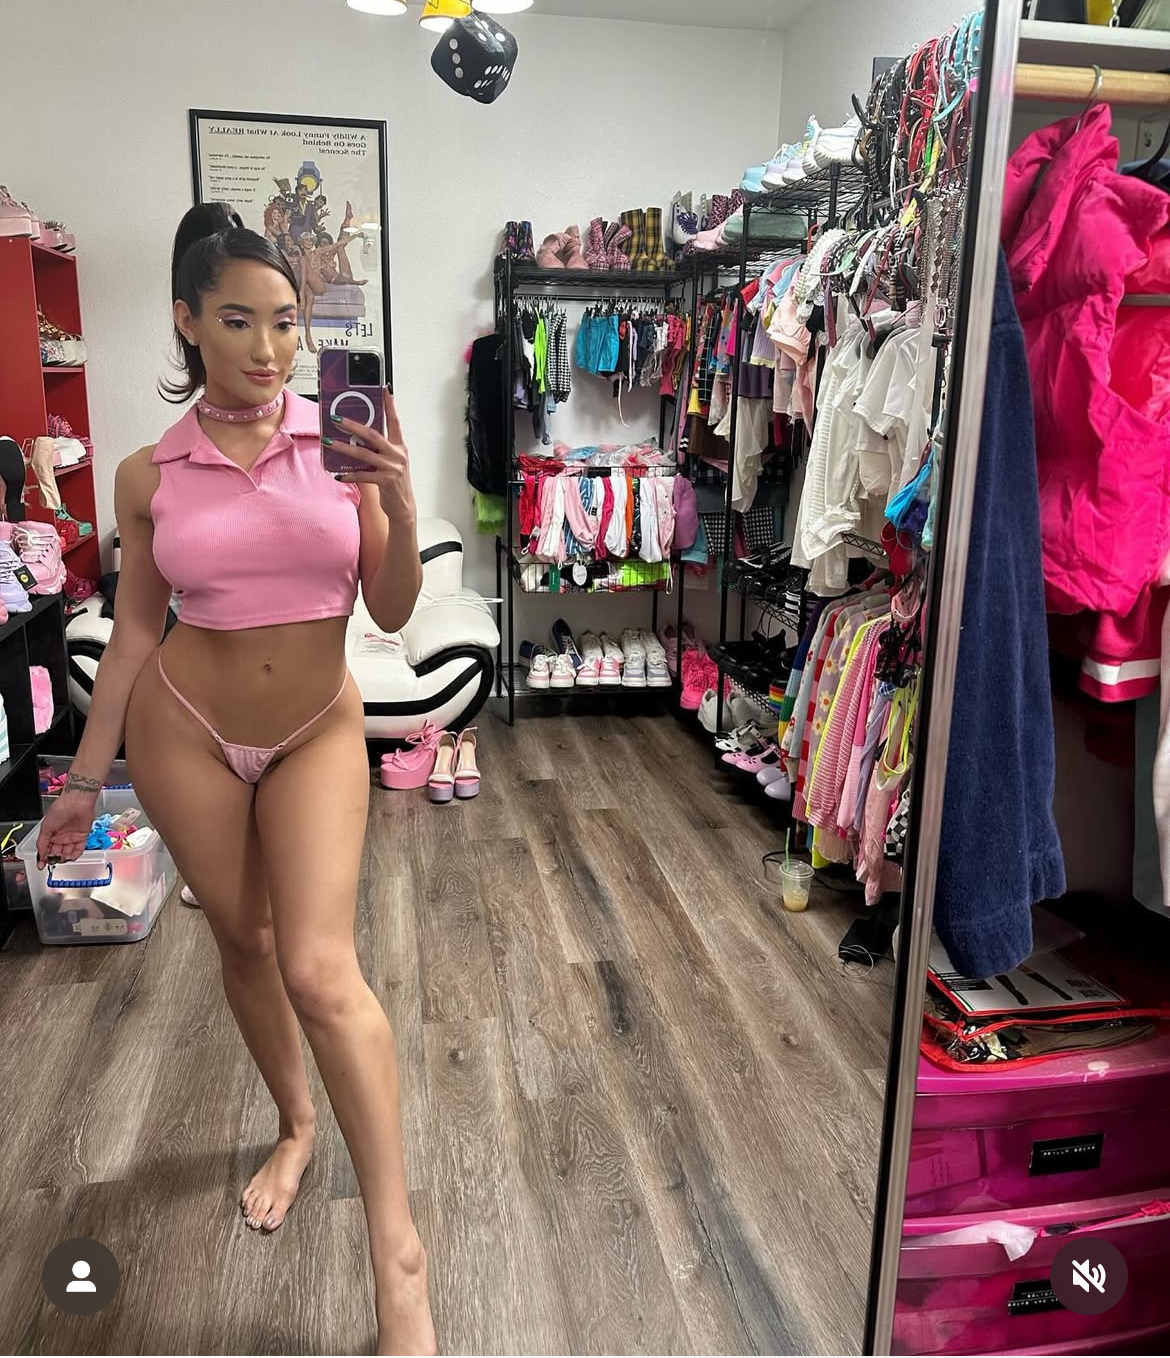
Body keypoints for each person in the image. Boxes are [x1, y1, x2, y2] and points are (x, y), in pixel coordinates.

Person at [37, 202, 435, 1357]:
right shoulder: (145, 473)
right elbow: (134, 634)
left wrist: (401, 500)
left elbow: (391, 606)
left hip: (316, 725)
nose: (270, 348)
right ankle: (295, 1122)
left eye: (287, 321)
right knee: (246, 944)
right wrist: (84, 779)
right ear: (187, 321)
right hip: (187, 730)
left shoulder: (342, 441)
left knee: (320, 966)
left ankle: (399, 1262)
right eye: (238, 320)